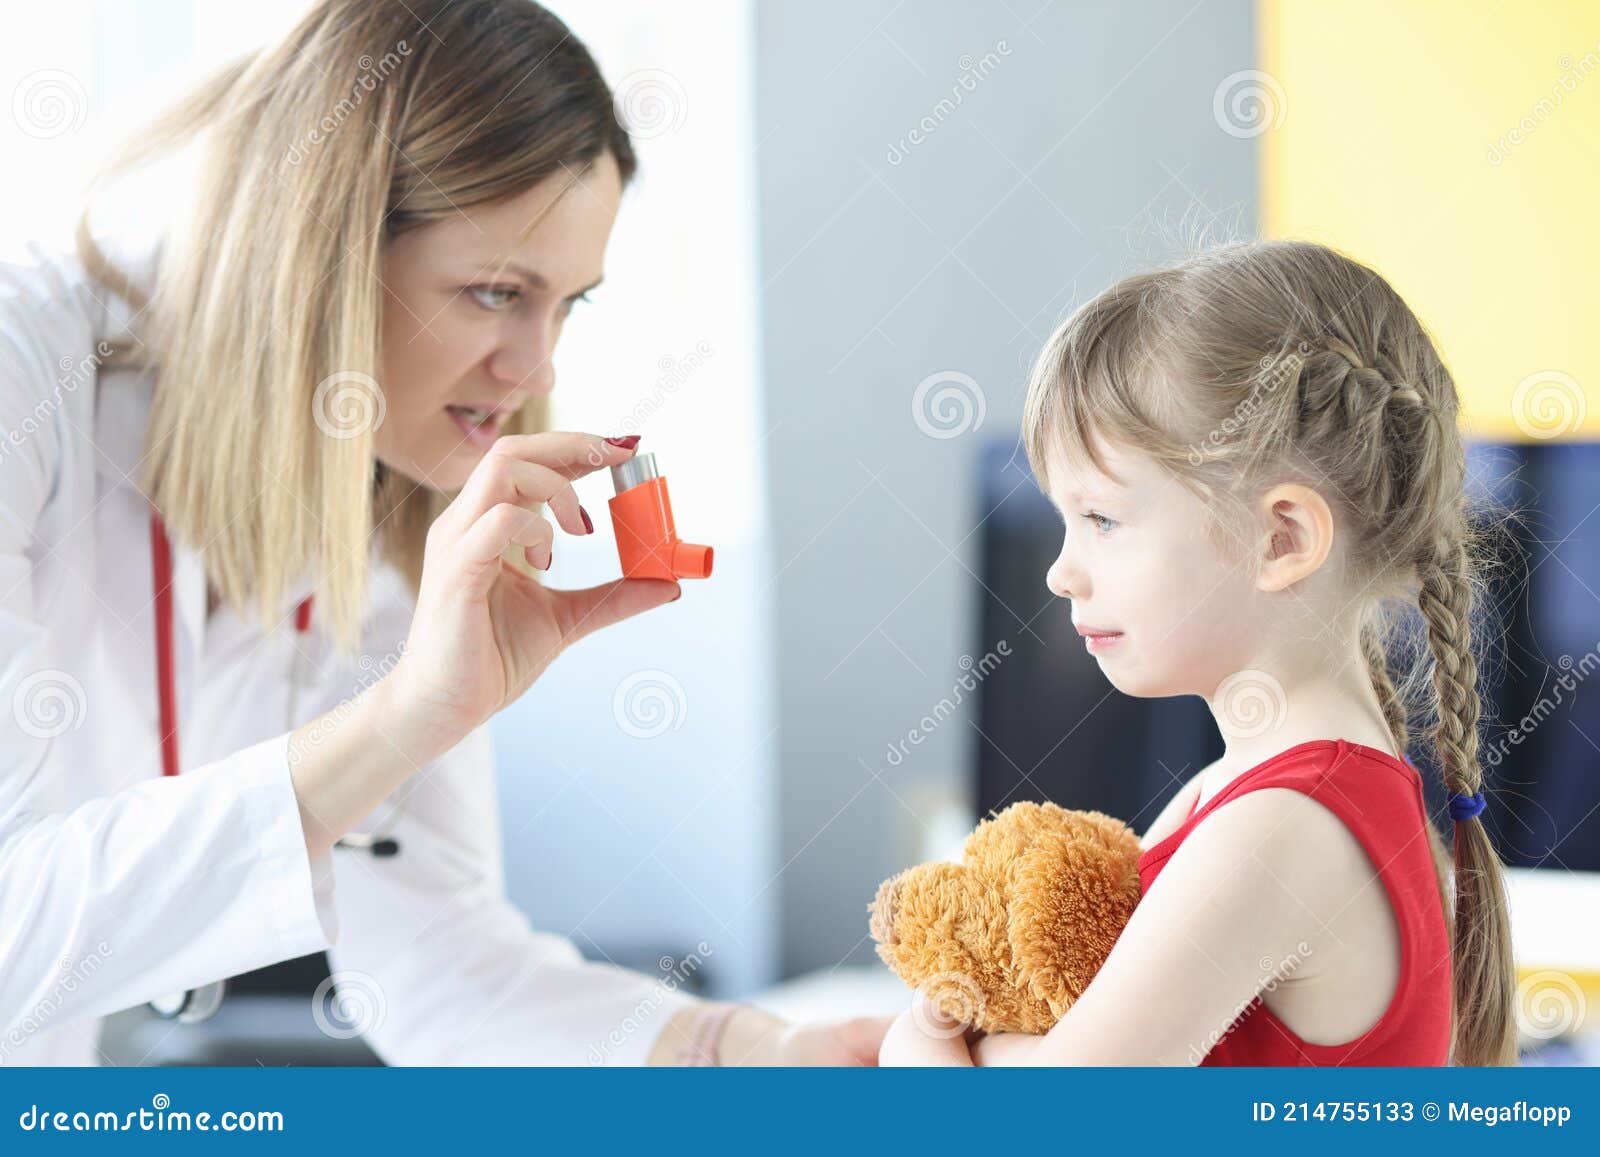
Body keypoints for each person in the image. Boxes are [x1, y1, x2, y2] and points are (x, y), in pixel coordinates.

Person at [0, 0, 886, 1066]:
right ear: (317, 252)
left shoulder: (382, 512)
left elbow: (444, 965)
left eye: (568, 305)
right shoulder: (24, 371)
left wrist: (746, 1049)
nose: (535, 369)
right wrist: (396, 719)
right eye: (493, 293)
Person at [881, 240, 1517, 1066]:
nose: (1060, 570)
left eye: (1102, 520)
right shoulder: (1246, 792)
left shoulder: (1281, 828)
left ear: (1281, 537)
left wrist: (919, 1051)